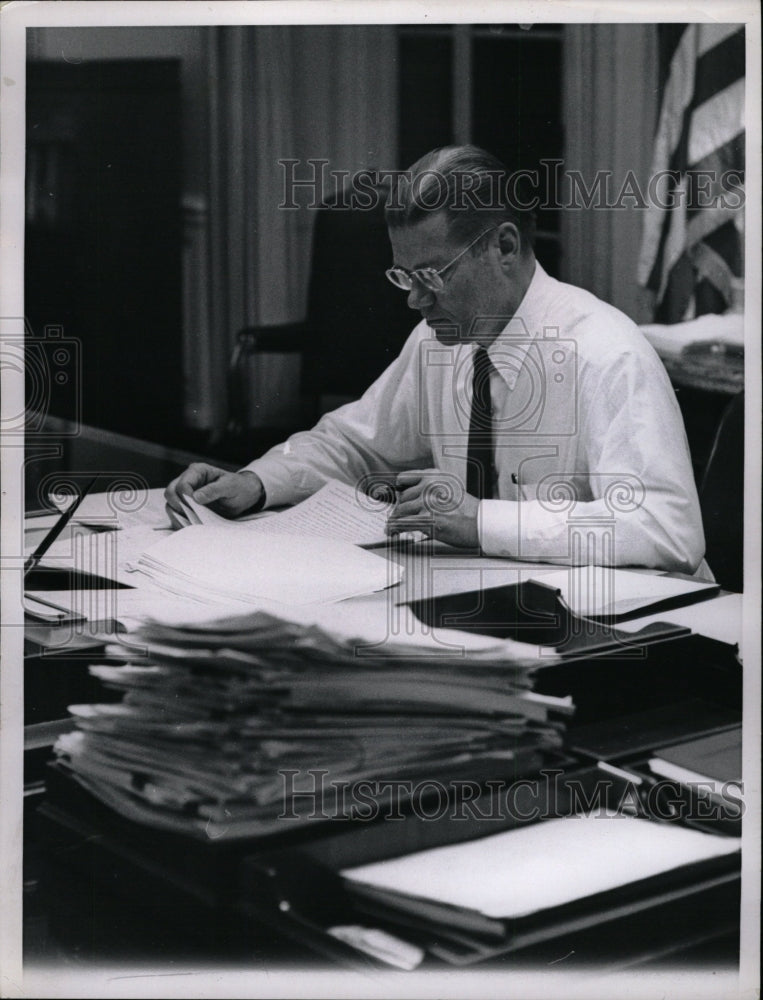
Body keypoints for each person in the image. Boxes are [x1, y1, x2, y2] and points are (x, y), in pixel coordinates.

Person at [165, 146, 707, 575]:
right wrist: (257, 482)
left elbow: (666, 528)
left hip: (647, 640)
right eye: (404, 276)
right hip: (498, 611)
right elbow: (353, 443)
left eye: (431, 276)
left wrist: (480, 521)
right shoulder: (438, 342)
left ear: (506, 247)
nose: (414, 301)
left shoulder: (606, 353)